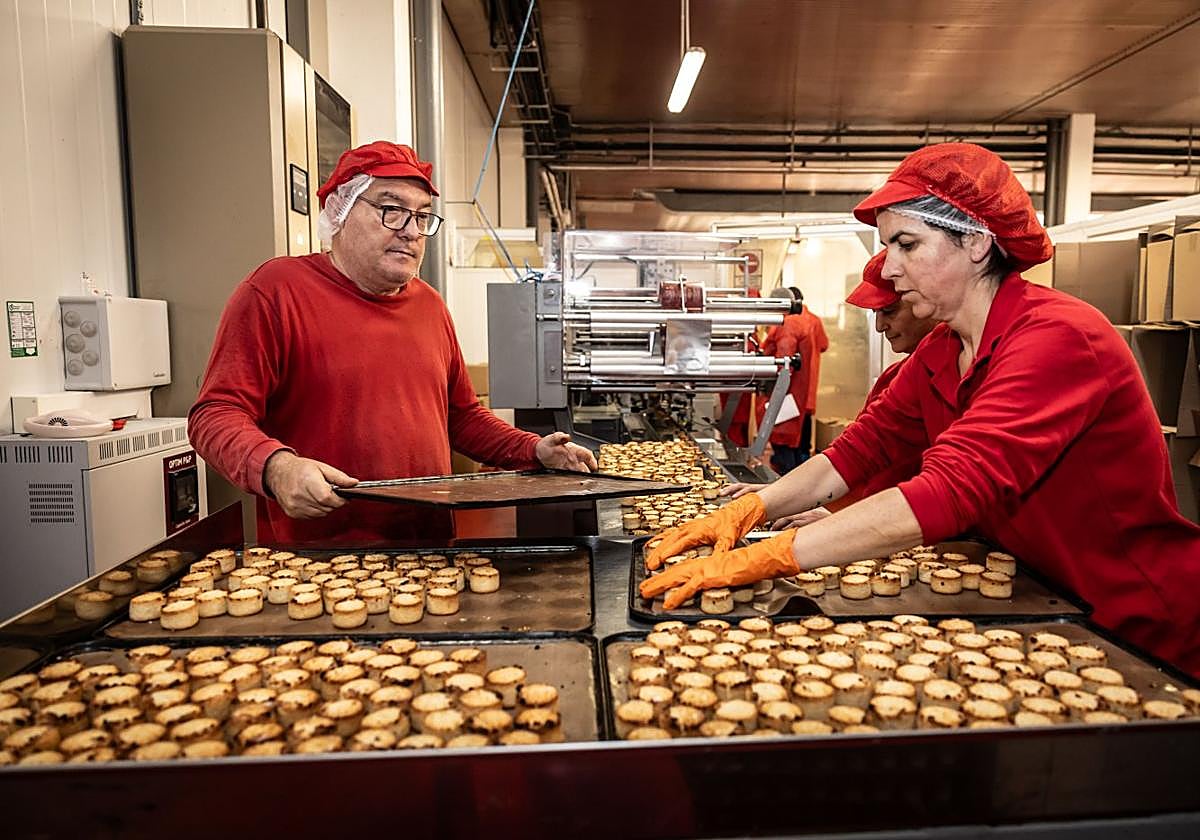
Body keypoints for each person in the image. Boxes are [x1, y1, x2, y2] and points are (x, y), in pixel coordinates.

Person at [641, 142, 1200, 675]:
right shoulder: (941, 349)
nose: (887, 269)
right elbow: (855, 455)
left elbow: (950, 491)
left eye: (907, 244)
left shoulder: (1058, 338)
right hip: (1031, 602)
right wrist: (747, 512)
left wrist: (768, 558)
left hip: (1128, 624)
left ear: (977, 242)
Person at [189, 141, 596, 545]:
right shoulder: (276, 292)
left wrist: (534, 449)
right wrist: (276, 468)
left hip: (430, 551)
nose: (411, 231)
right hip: (317, 564)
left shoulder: (429, 306)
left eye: (421, 216)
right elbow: (214, 414)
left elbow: (461, 417)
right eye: (392, 210)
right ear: (341, 211)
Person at [772, 249, 938, 526]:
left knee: (788, 451)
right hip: (883, 520)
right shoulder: (896, 378)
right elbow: (857, 458)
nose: (879, 327)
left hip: (914, 530)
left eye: (889, 311)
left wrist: (842, 518)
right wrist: (776, 496)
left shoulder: (987, 368)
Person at [757, 287, 828, 474]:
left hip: (786, 393)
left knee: (784, 444)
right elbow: (824, 345)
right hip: (805, 391)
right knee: (801, 444)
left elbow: (783, 363)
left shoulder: (786, 324)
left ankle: (786, 487)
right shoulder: (812, 320)